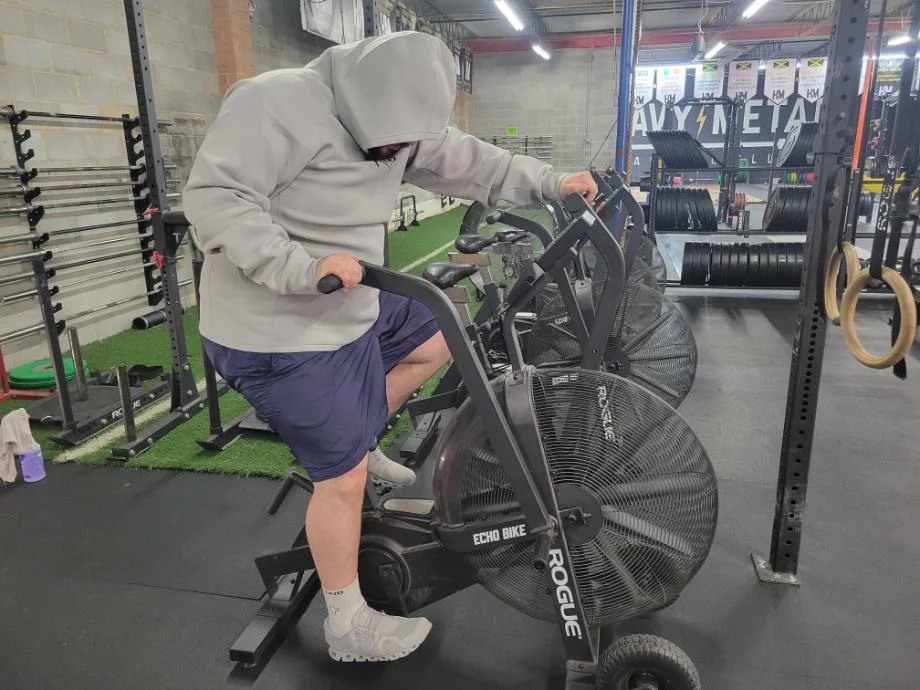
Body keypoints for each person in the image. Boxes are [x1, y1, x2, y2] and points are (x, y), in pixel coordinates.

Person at [183, 31, 597, 664]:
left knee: (436, 341)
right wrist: (301, 265)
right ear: (363, 102)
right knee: (342, 480)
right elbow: (216, 199)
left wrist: (551, 181)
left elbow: (465, 158)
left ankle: (356, 437)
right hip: (276, 325)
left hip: (350, 302)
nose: (403, 154)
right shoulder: (273, 102)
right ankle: (348, 623)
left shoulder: (396, 121)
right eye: (395, 143)